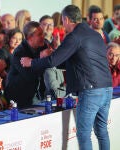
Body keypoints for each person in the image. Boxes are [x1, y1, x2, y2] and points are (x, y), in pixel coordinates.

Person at [21, 5, 113, 150]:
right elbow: (76, 59)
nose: (62, 25)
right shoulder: (94, 34)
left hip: (90, 90)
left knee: (83, 135)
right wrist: (58, 51)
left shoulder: (74, 36)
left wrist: (31, 62)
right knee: (102, 132)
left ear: (66, 19)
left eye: (63, 22)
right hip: (107, 88)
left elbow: (53, 61)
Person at [5, 21, 45, 109]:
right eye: (40, 34)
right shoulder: (20, 52)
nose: (43, 37)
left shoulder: (43, 46)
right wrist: (42, 59)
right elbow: (30, 76)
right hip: (19, 97)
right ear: (30, 37)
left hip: (35, 95)